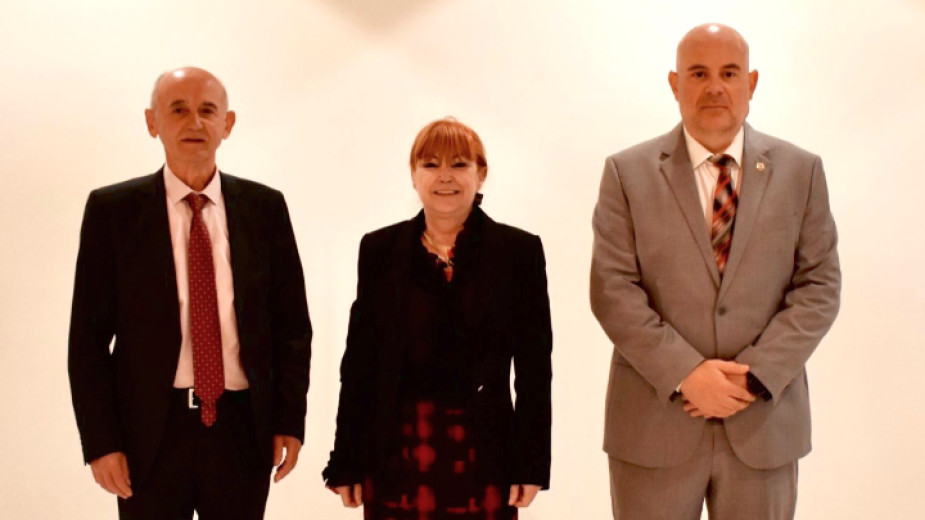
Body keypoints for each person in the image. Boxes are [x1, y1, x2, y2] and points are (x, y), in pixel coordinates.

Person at [590, 24, 841, 519]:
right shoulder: (626, 172)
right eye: (698, 73)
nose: (714, 87)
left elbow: (819, 287)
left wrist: (753, 378)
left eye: (729, 73)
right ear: (674, 83)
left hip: (763, 425)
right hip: (654, 426)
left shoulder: (802, 171)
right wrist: (685, 373)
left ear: (751, 83)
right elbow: (612, 290)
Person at [68, 67, 312, 520]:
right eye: (178, 110)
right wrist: (101, 442)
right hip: (149, 435)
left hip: (242, 430)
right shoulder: (113, 212)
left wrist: (289, 419)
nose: (194, 122)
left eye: (207, 110)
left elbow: (292, 327)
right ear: (152, 122)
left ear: (228, 123)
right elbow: (87, 341)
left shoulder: (265, 208)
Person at [323, 118, 552, 519]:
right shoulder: (379, 249)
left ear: (481, 174)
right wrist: (346, 459)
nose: (445, 176)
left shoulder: (518, 251)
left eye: (459, 164)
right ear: (413, 175)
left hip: (485, 450)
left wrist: (531, 464)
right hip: (397, 448)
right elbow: (359, 365)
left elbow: (535, 369)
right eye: (430, 164)